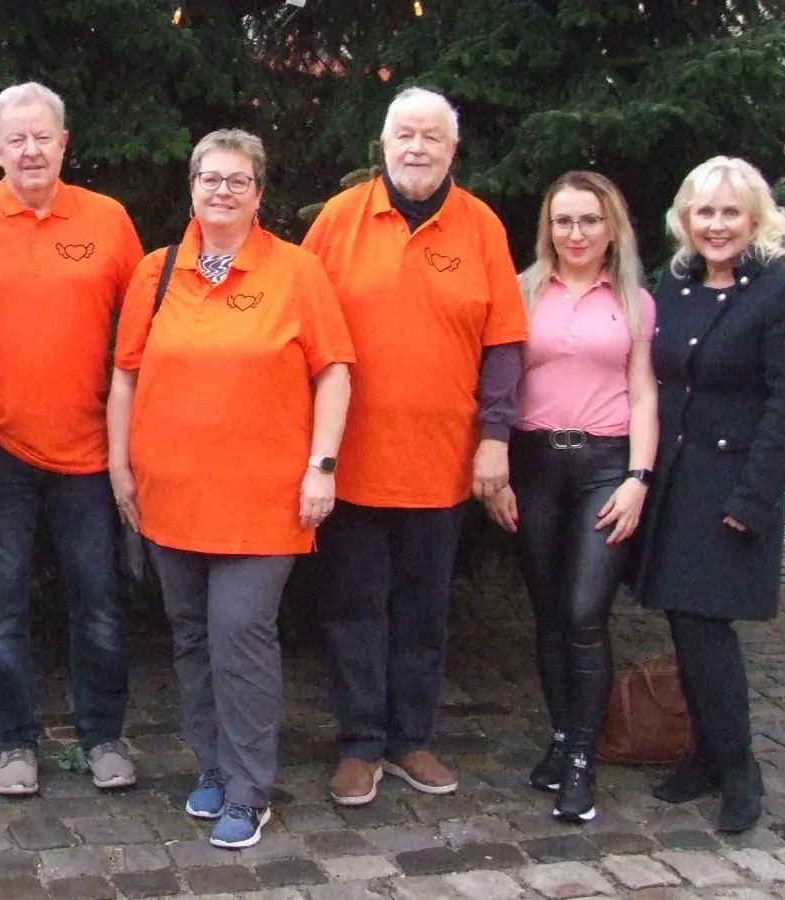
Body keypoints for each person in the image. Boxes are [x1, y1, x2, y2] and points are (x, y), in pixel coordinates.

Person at [107, 130, 353, 848]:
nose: (222, 191)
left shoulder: (297, 272)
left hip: (265, 499)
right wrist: (120, 466)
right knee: (189, 635)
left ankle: (250, 789)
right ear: (192, 188)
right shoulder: (157, 272)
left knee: (239, 635)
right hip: (169, 492)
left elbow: (334, 370)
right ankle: (211, 767)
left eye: (237, 180)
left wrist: (323, 465)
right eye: (210, 179)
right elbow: (125, 374)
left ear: (259, 193)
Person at [301, 86, 529, 807]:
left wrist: (494, 439)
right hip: (352, 461)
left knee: (423, 611)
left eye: (432, 136)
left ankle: (411, 738)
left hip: (443, 461)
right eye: (405, 134)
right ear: (384, 142)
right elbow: (295, 327)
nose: (417, 147)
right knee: (354, 607)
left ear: (453, 149)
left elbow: (503, 343)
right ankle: (361, 743)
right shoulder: (339, 221)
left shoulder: (481, 226)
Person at [0, 82, 142, 796]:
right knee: (0, 603)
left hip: (87, 451)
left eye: (42, 136)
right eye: (15, 139)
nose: (30, 150)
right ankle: (15, 742)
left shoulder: (109, 221)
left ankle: (103, 736)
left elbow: (144, 334)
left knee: (99, 600)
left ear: (64, 142)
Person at [638, 156, 785, 834]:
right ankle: (706, 756)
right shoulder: (678, 285)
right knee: (684, 622)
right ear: (686, 220)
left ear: (757, 219)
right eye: (704, 213)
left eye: (730, 213)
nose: (716, 226)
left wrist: (754, 499)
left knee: (703, 625)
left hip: (734, 485)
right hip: (678, 482)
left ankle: (738, 767)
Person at [481, 172, 657, 824]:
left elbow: (644, 395)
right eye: (563, 221)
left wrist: (639, 478)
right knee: (550, 611)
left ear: (612, 228)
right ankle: (560, 736)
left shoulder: (635, 300)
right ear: (547, 228)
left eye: (588, 220)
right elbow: (499, 383)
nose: (575, 234)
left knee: (585, 612)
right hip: (534, 465)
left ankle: (583, 760)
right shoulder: (522, 292)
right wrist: (496, 475)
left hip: (606, 467)